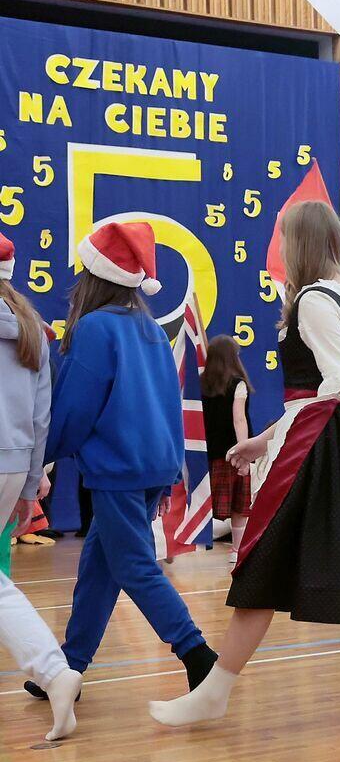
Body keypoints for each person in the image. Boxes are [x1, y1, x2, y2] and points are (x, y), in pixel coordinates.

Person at [149, 200, 340, 727]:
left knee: (261, 559)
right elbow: (318, 394)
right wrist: (261, 441)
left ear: (298, 243)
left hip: (318, 451)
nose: (278, 246)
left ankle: (214, 692)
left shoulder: (314, 302)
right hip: (332, 440)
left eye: (283, 237)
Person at [20, 222, 217, 704]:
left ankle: (198, 655)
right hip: (152, 466)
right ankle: (70, 667)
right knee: (99, 569)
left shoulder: (94, 329)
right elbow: (170, 404)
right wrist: (169, 474)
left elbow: (74, 410)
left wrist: (39, 459)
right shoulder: (151, 330)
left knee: (133, 567)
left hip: (119, 469)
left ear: (94, 276)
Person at [0, 230, 81, 740]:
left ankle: (53, 671)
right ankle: (54, 673)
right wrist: (30, 486)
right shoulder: (32, 328)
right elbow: (40, 417)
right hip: (11, 464)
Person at [202, 335, 254, 566]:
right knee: (239, 506)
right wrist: (244, 452)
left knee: (208, 502)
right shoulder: (237, 384)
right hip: (233, 453)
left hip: (209, 453)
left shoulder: (200, 383)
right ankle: (236, 550)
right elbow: (239, 419)